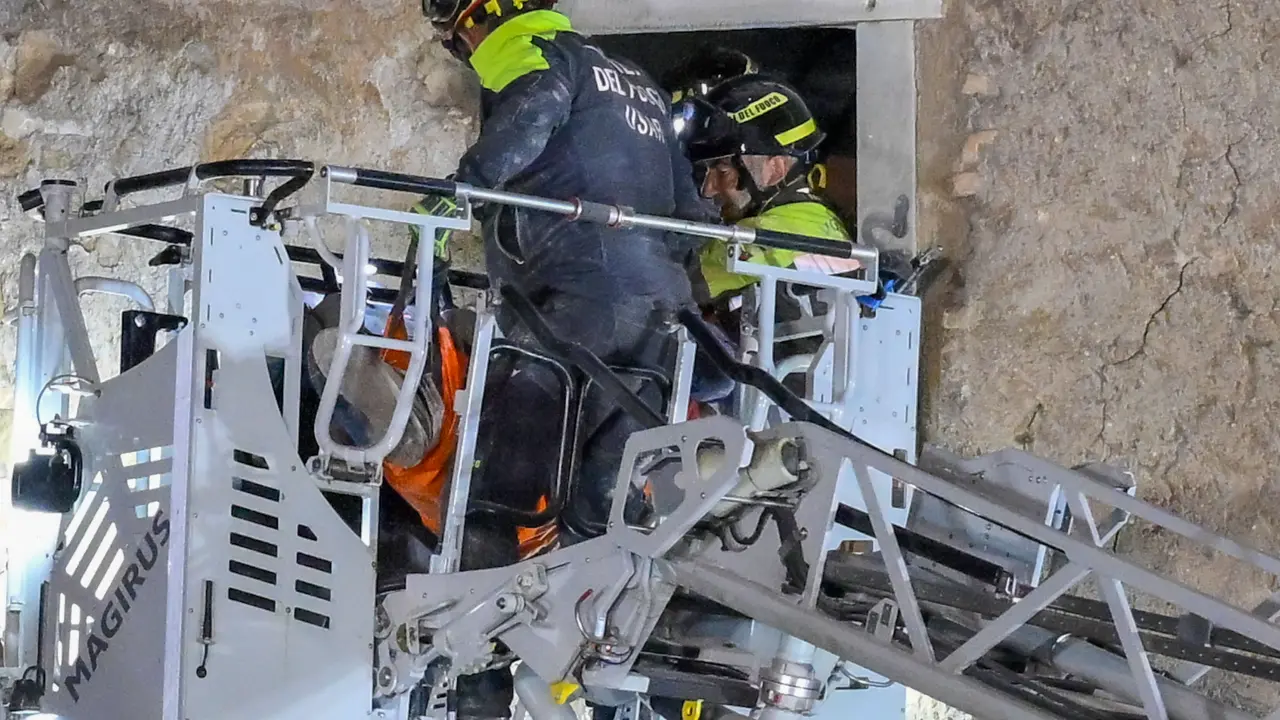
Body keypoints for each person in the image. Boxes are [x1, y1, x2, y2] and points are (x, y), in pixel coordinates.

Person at [418, 1, 710, 717]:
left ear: (480, 18)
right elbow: (692, 216)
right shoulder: (637, 83)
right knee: (604, 512)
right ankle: (589, 676)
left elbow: (533, 113)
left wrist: (453, 199)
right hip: (659, 319)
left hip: (567, 303)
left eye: (459, 36)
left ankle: (478, 688)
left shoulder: (536, 52)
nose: (465, 52)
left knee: (496, 489)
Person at [676, 75, 861, 318]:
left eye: (723, 172)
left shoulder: (763, 234)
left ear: (776, 168)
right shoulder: (821, 221)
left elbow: (670, 286)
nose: (708, 189)